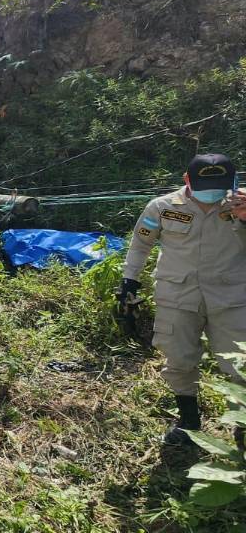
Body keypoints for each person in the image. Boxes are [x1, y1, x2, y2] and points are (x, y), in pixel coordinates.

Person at [119, 153, 246, 446]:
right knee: (178, 359)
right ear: (187, 180)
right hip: (178, 296)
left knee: (241, 364)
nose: (212, 192)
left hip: (232, 298)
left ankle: (242, 428)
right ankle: (189, 423)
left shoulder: (239, 206)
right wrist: (129, 281)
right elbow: (140, 245)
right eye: (204, 185)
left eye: (219, 185)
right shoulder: (162, 207)